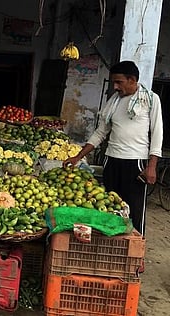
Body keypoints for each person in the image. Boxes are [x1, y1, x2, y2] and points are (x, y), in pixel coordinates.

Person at [63, 60, 163, 236]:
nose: (115, 87)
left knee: (134, 211)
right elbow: (100, 133)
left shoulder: (150, 99)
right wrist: (78, 157)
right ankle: (111, 250)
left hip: (135, 163)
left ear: (132, 79)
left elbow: (157, 134)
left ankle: (134, 252)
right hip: (111, 161)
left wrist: (152, 166)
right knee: (110, 208)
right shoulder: (114, 102)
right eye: (113, 82)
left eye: (119, 82)